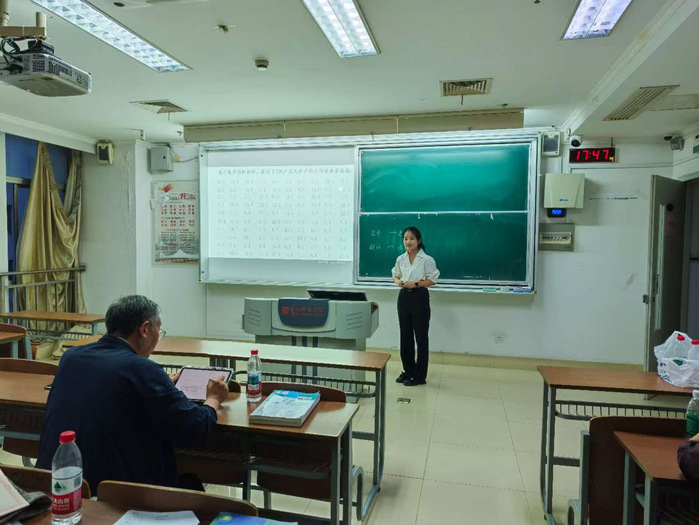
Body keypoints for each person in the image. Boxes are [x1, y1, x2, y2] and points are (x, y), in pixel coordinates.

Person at [37, 295, 229, 490]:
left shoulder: (71, 356)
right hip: (113, 494)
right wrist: (213, 398)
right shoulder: (142, 369)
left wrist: (159, 384)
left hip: (57, 485)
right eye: (158, 329)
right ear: (144, 329)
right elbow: (193, 428)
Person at [392, 226, 439, 386]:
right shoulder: (401, 259)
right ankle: (408, 371)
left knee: (421, 336)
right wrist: (398, 282)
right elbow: (395, 274)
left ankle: (420, 376)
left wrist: (417, 283)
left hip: (419, 297)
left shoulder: (427, 260)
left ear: (418, 241)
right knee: (405, 335)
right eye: (405, 239)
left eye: (412, 238)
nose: (408, 241)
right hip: (404, 297)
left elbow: (433, 280)